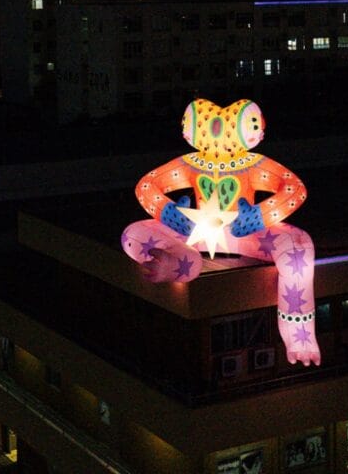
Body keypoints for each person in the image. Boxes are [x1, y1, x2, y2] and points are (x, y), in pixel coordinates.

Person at [122, 99, 320, 366]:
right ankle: (179, 260)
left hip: (246, 234)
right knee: (133, 232)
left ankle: (299, 335)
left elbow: (293, 188)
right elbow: (147, 186)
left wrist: (259, 216)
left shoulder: (255, 165)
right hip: (195, 231)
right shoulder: (189, 164)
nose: (218, 133)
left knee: (298, 246)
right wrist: (169, 213)